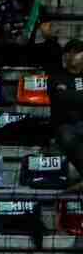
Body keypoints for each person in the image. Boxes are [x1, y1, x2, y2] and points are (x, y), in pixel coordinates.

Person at [49, 40, 83, 186]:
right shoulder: (56, 76)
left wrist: (69, 94)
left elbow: (65, 96)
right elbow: (58, 98)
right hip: (64, 125)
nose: (71, 56)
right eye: (68, 52)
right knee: (68, 137)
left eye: (76, 52)